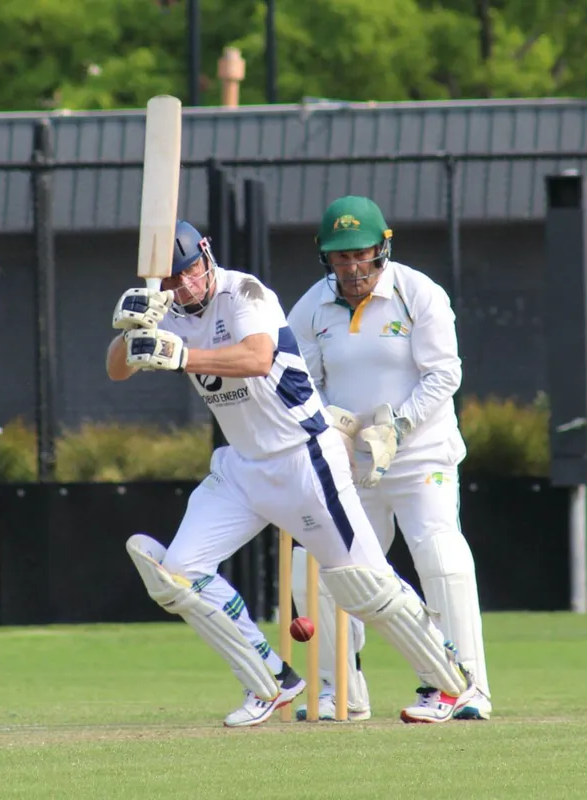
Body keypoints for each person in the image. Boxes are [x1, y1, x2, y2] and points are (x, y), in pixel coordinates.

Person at [106, 219, 475, 728]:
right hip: (241, 468)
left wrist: (181, 354)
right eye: (172, 280)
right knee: (179, 575)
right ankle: (271, 681)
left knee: (363, 585)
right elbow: (117, 370)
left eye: (190, 270)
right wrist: (130, 328)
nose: (186, 285)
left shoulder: (245, 292)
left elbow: (257, 357)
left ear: (205, 254)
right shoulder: (167, 309)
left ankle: (450, 683)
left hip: (303, 458)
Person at [287, 196, 491, 722]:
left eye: (362, 255)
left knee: (440, 555)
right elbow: (304, 385)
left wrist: (396, 426)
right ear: (325, 258)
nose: (353, 268)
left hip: (420, 453)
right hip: (351, 462)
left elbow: (444, 374)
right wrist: (331, 423)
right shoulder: (310, 308)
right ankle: (340, 689)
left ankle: (459, 686)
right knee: (313, 566)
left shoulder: (418, 292)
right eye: (340, 257)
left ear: (383, 248)